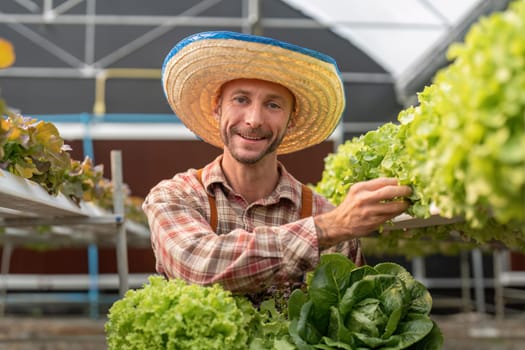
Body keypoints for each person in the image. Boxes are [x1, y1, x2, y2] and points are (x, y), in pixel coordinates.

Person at [143, 31, 411, 298]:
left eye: (273, 105)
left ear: (291, 120)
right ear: (217, 108)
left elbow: (348, 318)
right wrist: (326, 229)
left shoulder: (323, 212)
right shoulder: (175, 197)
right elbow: (199, 269)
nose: (254, 120)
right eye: (241, 99)